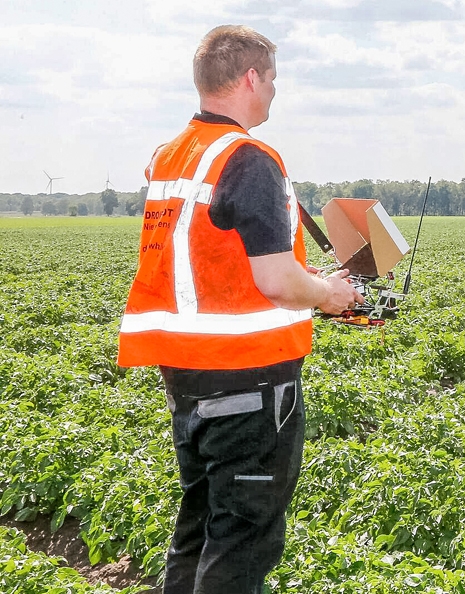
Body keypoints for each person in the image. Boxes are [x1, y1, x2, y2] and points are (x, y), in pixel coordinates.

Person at [117, 25, 362, 593]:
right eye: (273, 78)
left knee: (199, 531)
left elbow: (213, 259)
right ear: (252, 78)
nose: (275, 91)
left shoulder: (173, 155)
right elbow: (275, 280)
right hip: (250, 382)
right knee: (242, 546)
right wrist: (330, 294)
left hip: (186, 378)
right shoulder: (248, 158)